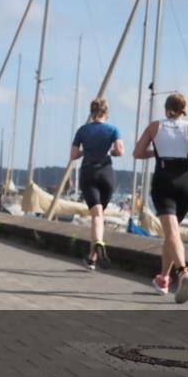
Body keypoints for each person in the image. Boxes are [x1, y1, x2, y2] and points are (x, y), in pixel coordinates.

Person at [132, 92, 188, 303]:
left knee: (172, 233)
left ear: (166, 108)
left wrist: (155, 152)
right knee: (171, 233)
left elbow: (137, 153)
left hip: (164, 180)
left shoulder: (154, 126)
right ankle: (163, 279)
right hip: (186, 181)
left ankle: (183, 271)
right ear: (184, 109)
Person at [71, 97, 124, 270]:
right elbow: (120, 151)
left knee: (96, 215)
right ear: (106, 113)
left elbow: (73, 155)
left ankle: (97, 247)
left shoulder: (82, 130)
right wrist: (110, 152)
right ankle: (92, 257)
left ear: (92, 112)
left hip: (88, 172)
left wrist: (85, 150)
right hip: (106, 174)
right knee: (99, 215)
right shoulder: (113, 129)